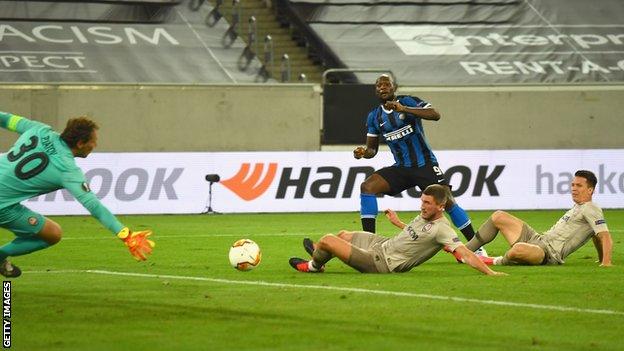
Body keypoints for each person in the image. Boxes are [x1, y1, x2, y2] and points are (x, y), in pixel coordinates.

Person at [0, 111, 155, 278]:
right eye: (93, 141)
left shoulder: (39, 130)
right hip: (2, 206)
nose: (95, 145)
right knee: (52, 235)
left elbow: (7, 119)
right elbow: (93, 205)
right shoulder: (68, 170)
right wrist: (125, 234)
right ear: (81, 143)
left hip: (6, 201)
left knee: (50, 230)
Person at [353, 74, 485, 255]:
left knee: (447, 201)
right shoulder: (374, 117)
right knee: (367, 186)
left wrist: (404, 109)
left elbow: (435, 114)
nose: (382, 88)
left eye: (386, 84)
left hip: (425, 165)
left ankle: (477, 248)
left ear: (394, 87)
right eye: (379, 86)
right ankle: (368, 245)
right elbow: (372, 150)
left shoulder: (409, 101)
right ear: (376, 91)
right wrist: (363, 153)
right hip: (402, 167)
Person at [289, 184, 506, 276]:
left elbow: (465, 253)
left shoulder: (443, 229)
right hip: (382, 244)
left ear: (441, 207)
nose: (422, 206)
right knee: (343, 235)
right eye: (422, 201)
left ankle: (314, 265)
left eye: (428, 203)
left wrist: (490, 272)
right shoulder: (425, 215)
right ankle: (322, 255)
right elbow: (418, 236)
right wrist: (399, 223)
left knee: (328, 240)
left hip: (382, 262)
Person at [465, 170, 613, 266]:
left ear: (590, 190)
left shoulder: (591, 208)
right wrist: (600, 258)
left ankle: (493, 261)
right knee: (499, 216)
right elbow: (595, 235)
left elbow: (604, 236)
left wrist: (606, 262)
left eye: (579, 186)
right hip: (538, 239)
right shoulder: (579, 207)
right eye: (573, 184)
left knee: (518, 249)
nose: (574, 188)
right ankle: (463, 251)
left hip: (548, 254)